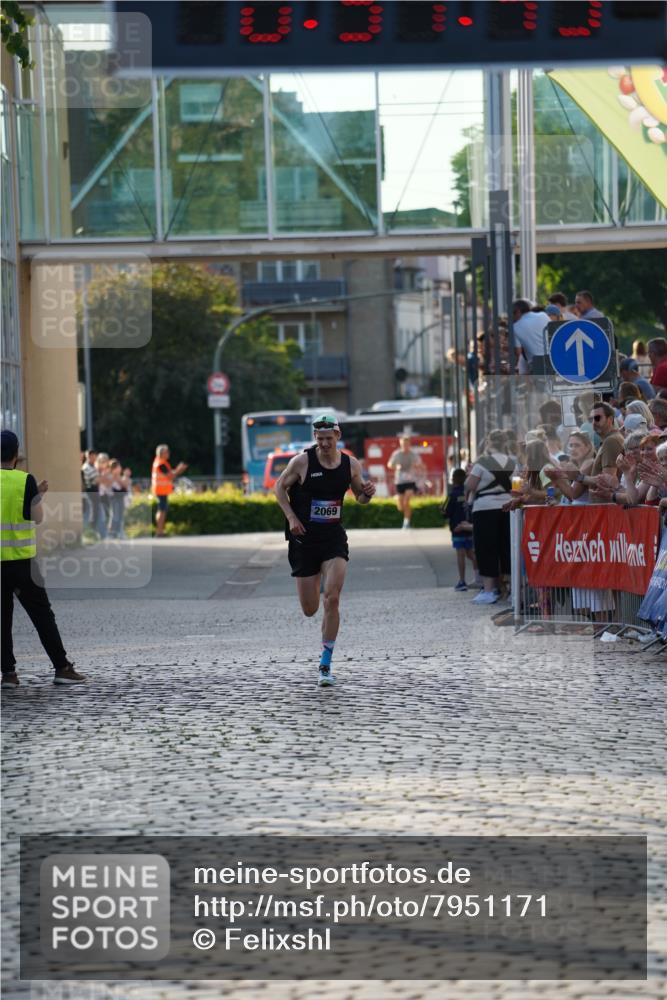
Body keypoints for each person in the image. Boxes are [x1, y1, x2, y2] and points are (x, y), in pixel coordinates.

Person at [274, 414, 375, 688]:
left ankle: (325, 664)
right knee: (310, 609)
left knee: (332, 599)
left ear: (338, 436)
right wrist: (292, 517)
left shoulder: (349, 464)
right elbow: (279, 489)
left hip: (333, 538)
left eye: (329, 439)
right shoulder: (302, 462)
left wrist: (367, 492)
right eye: (320, 439)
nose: (325, 444)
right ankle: (315, 579)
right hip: (304, 540)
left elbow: (360, 498)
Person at [1, 430, 86, 688]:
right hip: (23, 563)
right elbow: (36, 517)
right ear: (16, 455)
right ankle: (62, 668)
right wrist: (35, 494)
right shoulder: (25, 480)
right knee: (42, 616)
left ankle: (8, 675)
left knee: (2, 619)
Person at [464, 430, 514, 605]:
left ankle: (489, 590)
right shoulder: (514, 461)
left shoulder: (481, 462)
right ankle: (511, 589)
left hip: (485, 508)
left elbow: (470, 485)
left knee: (486, 548)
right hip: (509, 506)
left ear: (488, 443)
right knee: (508, 547)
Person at [442, 468, 478, 592]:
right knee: (471, 553)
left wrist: (442, 512)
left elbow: (447, 512)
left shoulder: (452, 495)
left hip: (457, 528)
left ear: (453, 480)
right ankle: (478, 577)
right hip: (469, 527)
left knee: (460, 555)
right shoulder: (468, 492)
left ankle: (462, 581)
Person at [386, 435, 424, 530]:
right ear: (400, 444)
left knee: (407, 501)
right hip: (399, 481)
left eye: (407, 444)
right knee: (401, 507)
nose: (405, 446)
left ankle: (406, 522)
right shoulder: (397, 454)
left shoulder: (413, 454)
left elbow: (420, 463)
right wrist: (396, 467)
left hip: (410, 481)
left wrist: (416, 465)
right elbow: (389, 464)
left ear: (409, 444)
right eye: (403, 444)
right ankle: (399, 502)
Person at [151, 444, 188, 538]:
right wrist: (179, 470)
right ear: (162, 453)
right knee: (162, 510)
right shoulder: (161, 464)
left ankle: (160, 531)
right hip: (161, 491)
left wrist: (177, 471)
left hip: (160, 490)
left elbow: (170, 474)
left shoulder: (160, 462)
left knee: (162, 510)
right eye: (167, 452)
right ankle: (159, 531)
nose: (168, 454)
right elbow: (171, 476)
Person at [511, 299, 551, 375]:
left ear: (518, 311)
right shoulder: (543, 315)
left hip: (536, 363)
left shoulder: (515, 327)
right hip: (554, 359)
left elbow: (518, 352)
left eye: (513, 314)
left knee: (541, 386)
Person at [81, 448, 99, 532]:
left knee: (95, 511)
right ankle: (89, 530)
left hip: (94, 491)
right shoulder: (86, 467)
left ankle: (92, 530)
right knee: (91, 512)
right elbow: (95, 480)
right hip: (90, 491)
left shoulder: (93, 466)